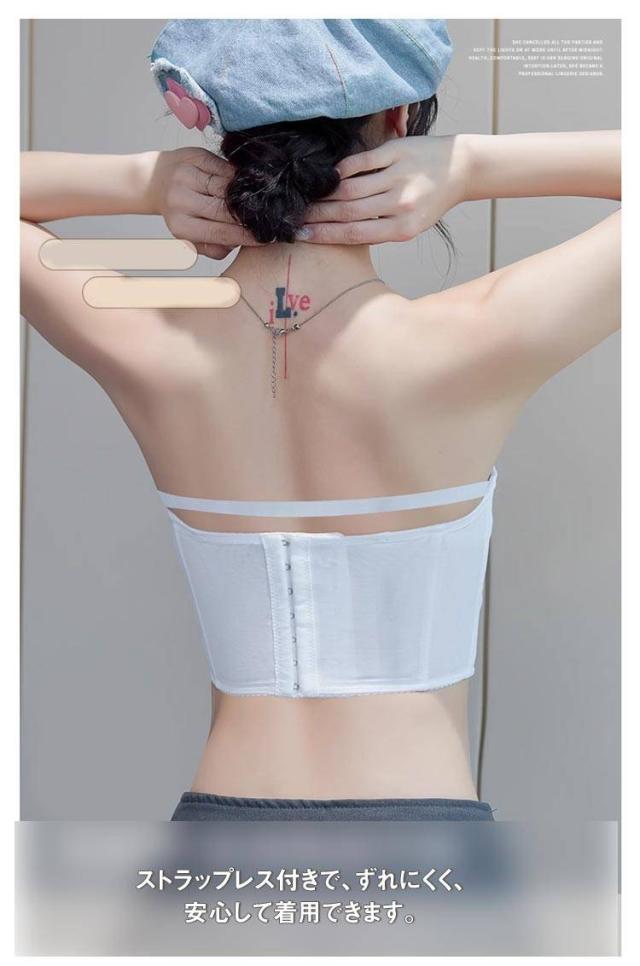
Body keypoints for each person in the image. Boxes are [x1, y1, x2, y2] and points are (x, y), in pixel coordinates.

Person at [20, 20, 620, 822]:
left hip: (221, 832)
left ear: (227, 134)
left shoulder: (146, 343)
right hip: (421, 838)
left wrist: (145, 182)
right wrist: (472, 168)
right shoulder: (469, 342)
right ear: (400, 121)